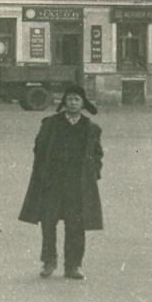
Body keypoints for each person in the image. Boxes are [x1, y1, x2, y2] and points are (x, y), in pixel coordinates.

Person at [19, 84, 103, 281]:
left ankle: (73, 265)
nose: (72, 103)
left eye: (77, 99)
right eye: (69, 99)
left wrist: (93, 174)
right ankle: (49, 262)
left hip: (77, 185)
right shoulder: (51, 124)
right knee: (48, 222)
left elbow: (97, 154)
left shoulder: (91, 128)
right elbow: (39, 148)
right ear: (64, 102)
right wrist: (44, 172)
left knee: (76, 224)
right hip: (53, 182)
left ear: (83, 103)